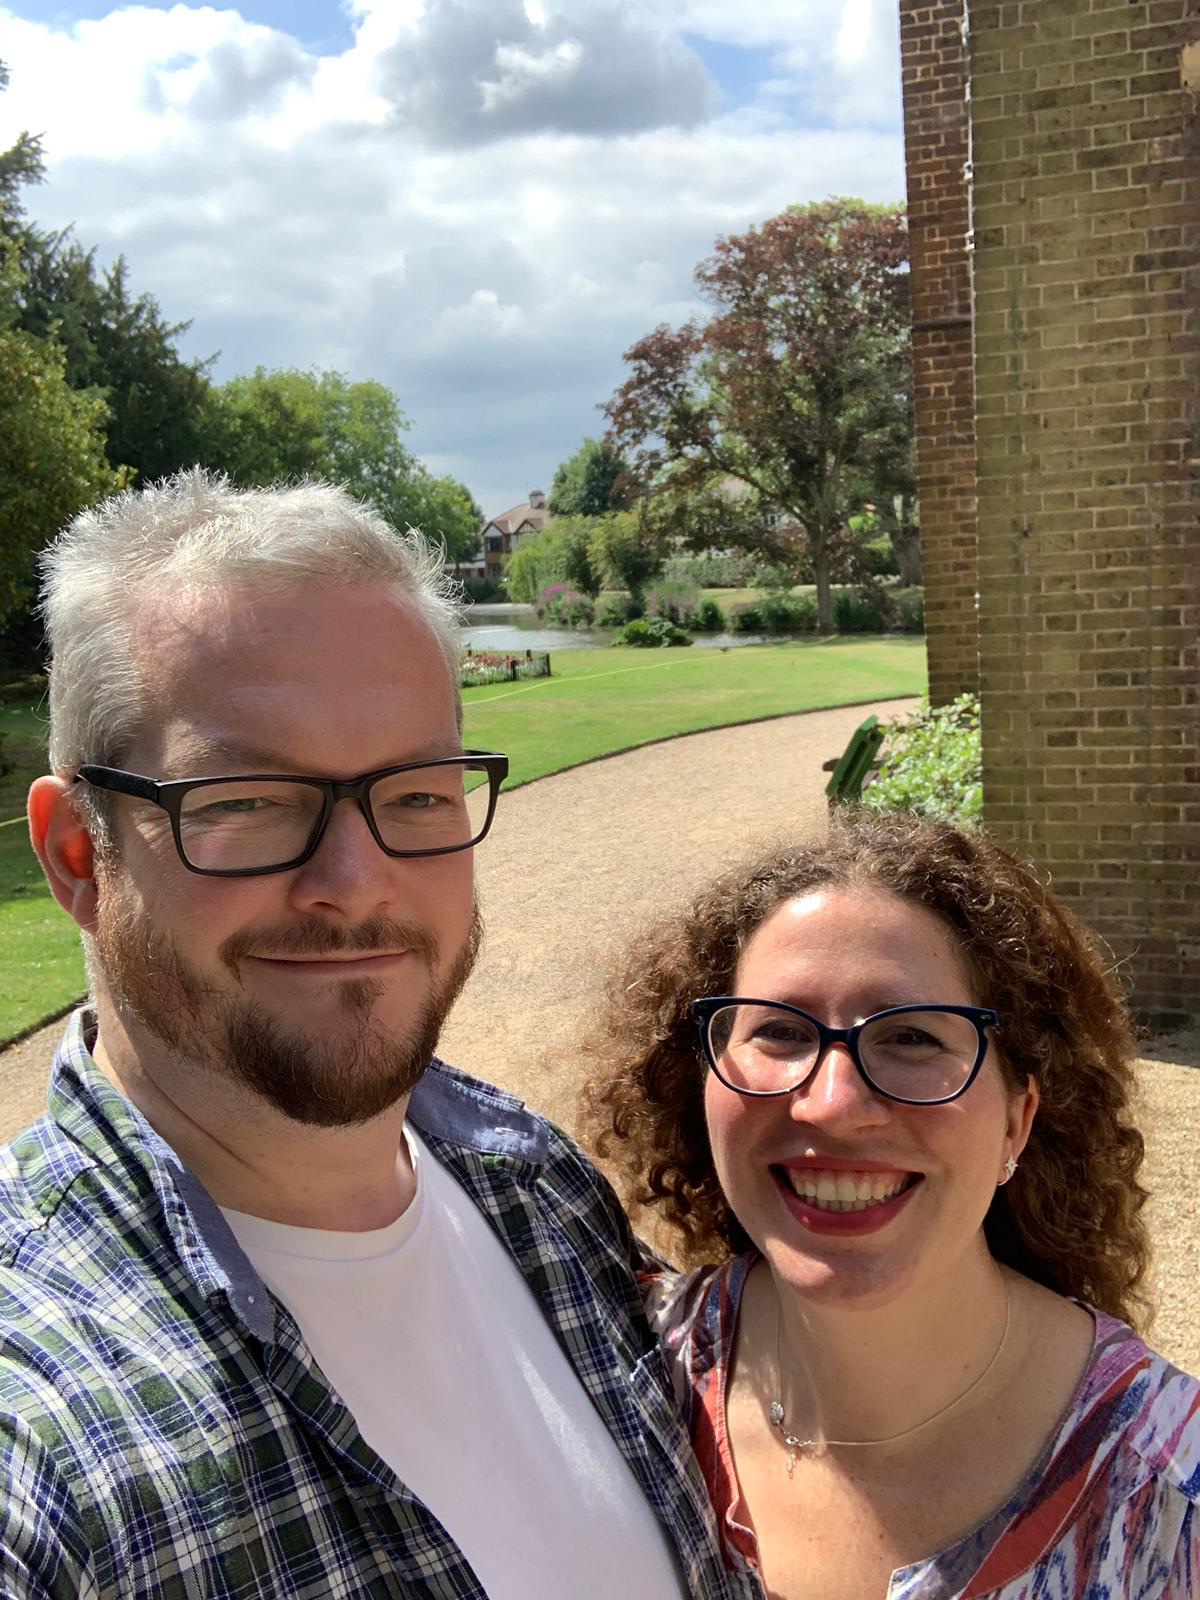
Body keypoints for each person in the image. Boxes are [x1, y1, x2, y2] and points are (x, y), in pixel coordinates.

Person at [2, 470, 737, 1600]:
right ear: (76, 856)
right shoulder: (41, 1428)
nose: (355, 883)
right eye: (245, 800)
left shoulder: (534, 1181)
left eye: (417, 793)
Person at [584, 809, 1199, 1600]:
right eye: (780, 1032)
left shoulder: (1168, 1495)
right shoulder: (620, 1377)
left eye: (912, 1038)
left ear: (1017, 1120)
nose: (832, 1105)